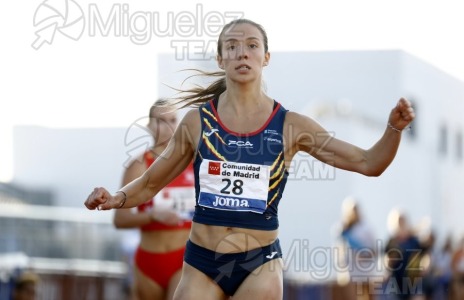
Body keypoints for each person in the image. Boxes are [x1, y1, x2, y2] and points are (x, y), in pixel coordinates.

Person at [84, 19, 415, 300]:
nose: (242, 52)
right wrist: (116, 198)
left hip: (258, 262)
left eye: (252, 45)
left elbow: (369, 163)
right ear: (220, 58)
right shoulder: (197, 122)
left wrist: (392, 129)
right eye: (232, 46)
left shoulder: (291, 126)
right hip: (202, 261)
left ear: (266, 57)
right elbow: (151, 183)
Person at [113, 101, 196, 300]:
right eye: (160, 121)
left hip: (184, 258)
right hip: (148, 262)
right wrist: (152, 216)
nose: (167, 127)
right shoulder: (138, 165)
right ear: (149, 125)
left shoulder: (194, 161)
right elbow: (120, 219)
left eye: (172, 120)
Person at [337, 197, 377, 300]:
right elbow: (340, 250)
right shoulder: (343, 230)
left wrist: (365, 256)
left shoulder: (367, 227)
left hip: (366, 269)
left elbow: (374, 249)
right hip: (351, 270)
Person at [384, 209, 424, 300]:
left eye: (402, 221)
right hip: (396, 280)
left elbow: (422, 257)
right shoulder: (392, 241)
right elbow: (387, 260)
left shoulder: (414, 241)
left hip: (413, 279)